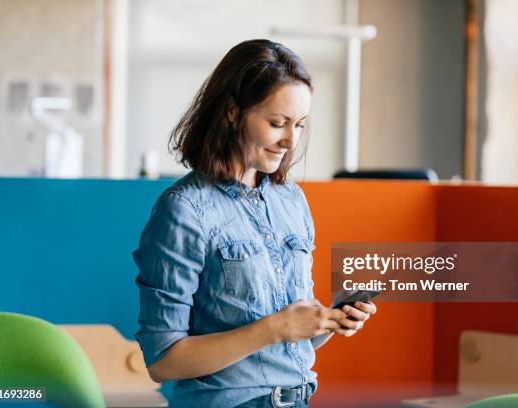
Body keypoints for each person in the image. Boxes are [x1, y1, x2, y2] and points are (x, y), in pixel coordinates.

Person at [132, 39, 377, 408]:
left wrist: (329, 322)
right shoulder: (183, 211)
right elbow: (164, 360)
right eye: (277, 123)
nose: (290, 141)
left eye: (300, 124)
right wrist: (274, 328)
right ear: (232, 111)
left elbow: (292, 340)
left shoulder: (291, 201)